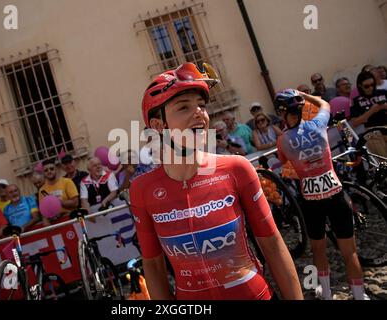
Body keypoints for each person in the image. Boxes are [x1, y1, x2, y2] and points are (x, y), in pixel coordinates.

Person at [130, 62, 303, 300]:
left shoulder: (236, 168)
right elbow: (153, 266)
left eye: (201, 105)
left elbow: (272, 245)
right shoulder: (142, 189)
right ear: (159, 126)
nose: (199, 113)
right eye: (184, 107)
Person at [275, 89, 369, 300]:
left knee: (318, 250)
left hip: (310, 201)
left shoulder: (282, 140)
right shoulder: (319, 123)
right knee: (350, 252)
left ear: (282, 113)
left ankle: (326, 295)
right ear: (301, 107)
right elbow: (324, 103)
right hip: (335, 194)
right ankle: (359, 296)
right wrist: (304, 94)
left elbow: (283, 162)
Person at [39, 159, 79, 225]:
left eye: (51, 169)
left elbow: (75, 202)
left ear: (56, 169)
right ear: (43, 173)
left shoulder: (67, 182)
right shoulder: (42, 190)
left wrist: (57, 202)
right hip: (54, 223)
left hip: (70, 219)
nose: (49, 171)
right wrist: (47, 226)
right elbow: (43, 212)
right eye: (46, 170)